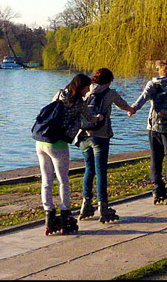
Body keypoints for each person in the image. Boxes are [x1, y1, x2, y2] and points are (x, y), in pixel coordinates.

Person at [35, 73, 101, 235]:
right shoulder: (79, 103)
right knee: (63, 180)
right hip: (57, 144)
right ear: (80, 88)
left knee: (46, 180)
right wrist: (99, 118)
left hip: (41, 141)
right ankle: (65, 215)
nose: (88, 92)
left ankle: (49, 216)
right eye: (86, 88)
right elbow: (89, 120)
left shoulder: (59, 93)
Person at [76, 67, 136, 223]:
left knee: (89, 169)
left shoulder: (87, 91)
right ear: (109, 81)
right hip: (100, 136)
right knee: (101, 171)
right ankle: (103, 207)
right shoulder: (110, 93)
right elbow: (122, 104)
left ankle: (86, 204)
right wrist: (130, 110)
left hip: (84, 136)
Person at [130, 60, 167, 205]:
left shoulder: (151, 85)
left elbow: (142, 98)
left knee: (155, 158)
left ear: (159, 71)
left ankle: (157, 190)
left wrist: (133, 109)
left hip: (153, 127)